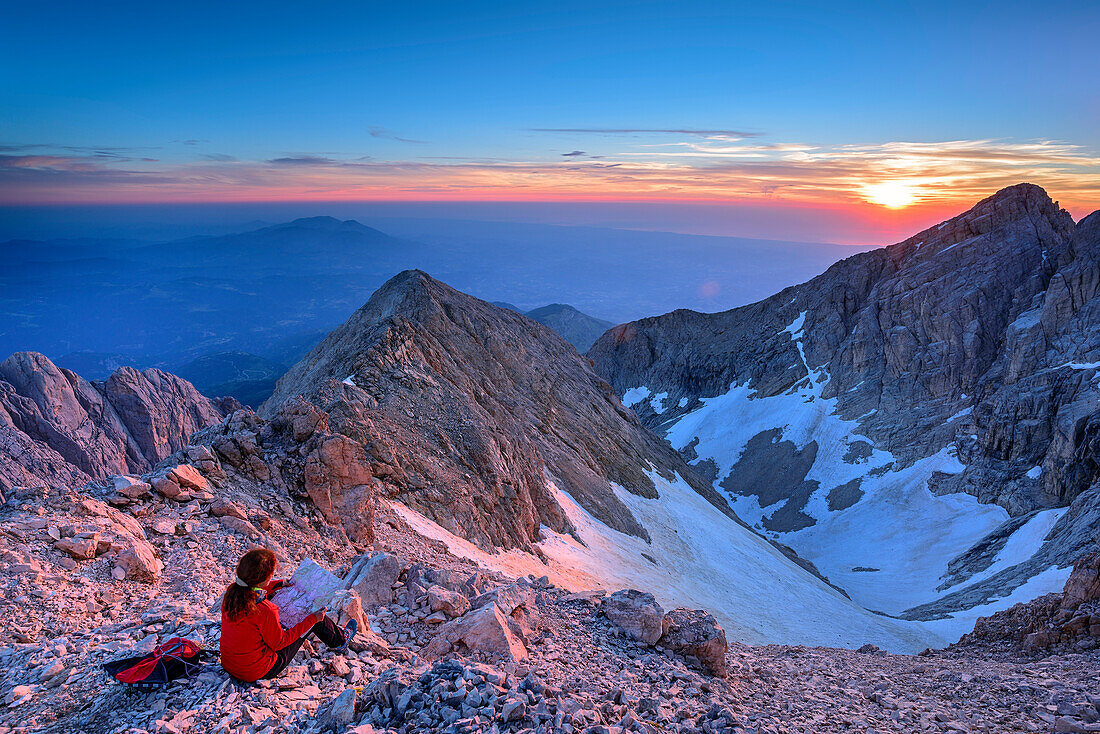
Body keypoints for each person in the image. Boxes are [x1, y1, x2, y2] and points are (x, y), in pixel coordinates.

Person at [219, 548, 356, 683]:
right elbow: (280, 643)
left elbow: (251, 590)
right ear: (265, 577)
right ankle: (340, 641)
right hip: (258, 670)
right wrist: (312, 619)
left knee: (275, 599)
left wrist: (278, 584)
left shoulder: (232, 592)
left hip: (230, 664)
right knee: (314, 617)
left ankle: (333, 635)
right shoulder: (266, 610)